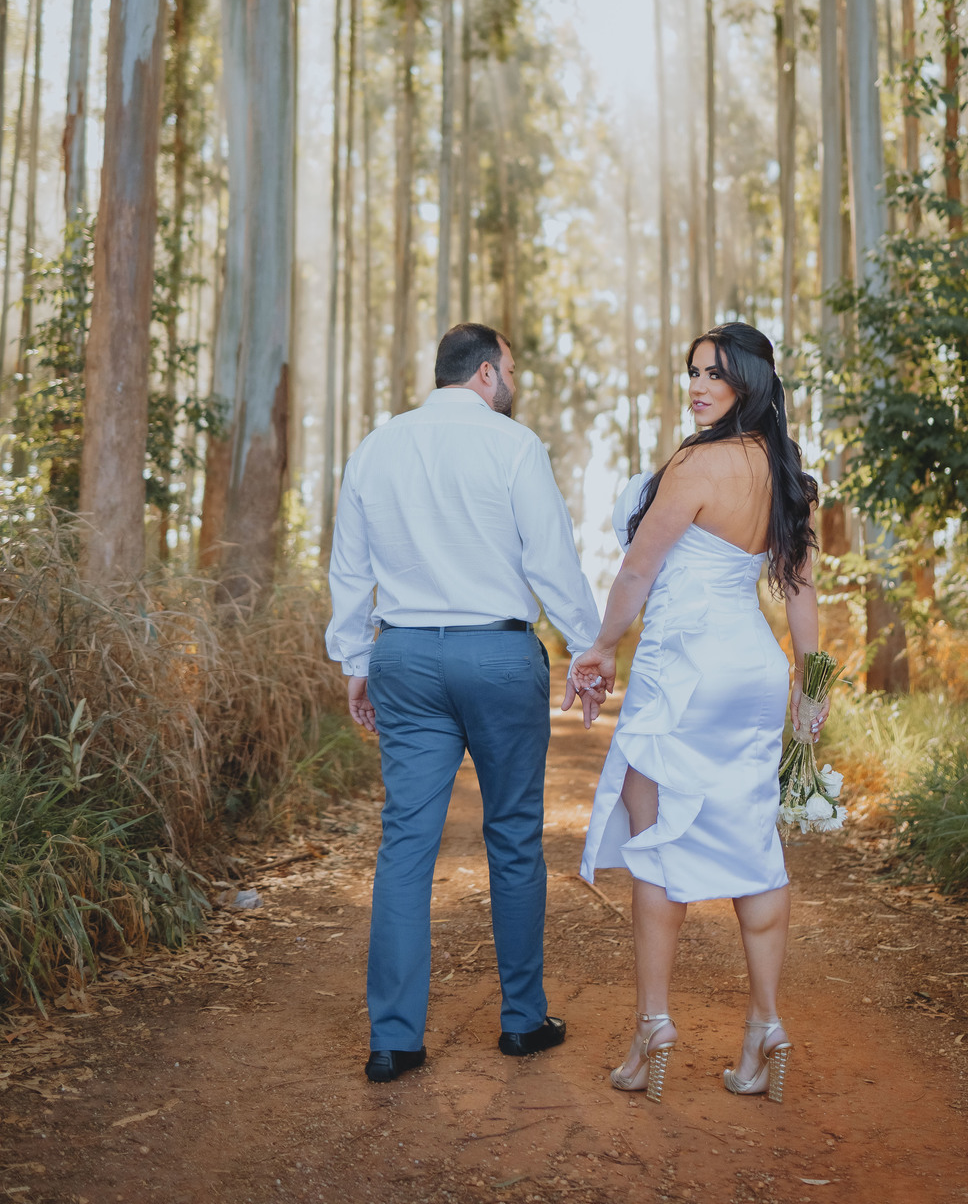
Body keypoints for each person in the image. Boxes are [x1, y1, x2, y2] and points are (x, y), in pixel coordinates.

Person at [326, 322, 603, 1084]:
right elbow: (551, 560)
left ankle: (394, 1040)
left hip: (405, 657)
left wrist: (356, 660)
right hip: (499, 655)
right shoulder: (514, 447)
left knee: (405, 844)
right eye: (509, 367)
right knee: (513, 836)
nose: (512, 380)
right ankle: (523, 1022)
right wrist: (587, 648)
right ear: (485, 373)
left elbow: (349, 567)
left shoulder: (376, 447)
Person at [571, 323, 827, 1105]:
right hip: (754, 672)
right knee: (755, 842)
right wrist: (810, 689)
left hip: (683, 671)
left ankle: (652, 1027)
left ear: (749, 382)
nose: (698, 385)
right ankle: (765, 1026)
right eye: (693, 372)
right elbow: (801, 590)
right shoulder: (784, 474)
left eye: (715, 373)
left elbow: (638, 570)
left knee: (656, 844)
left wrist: (601, 648)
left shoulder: (696, 464)